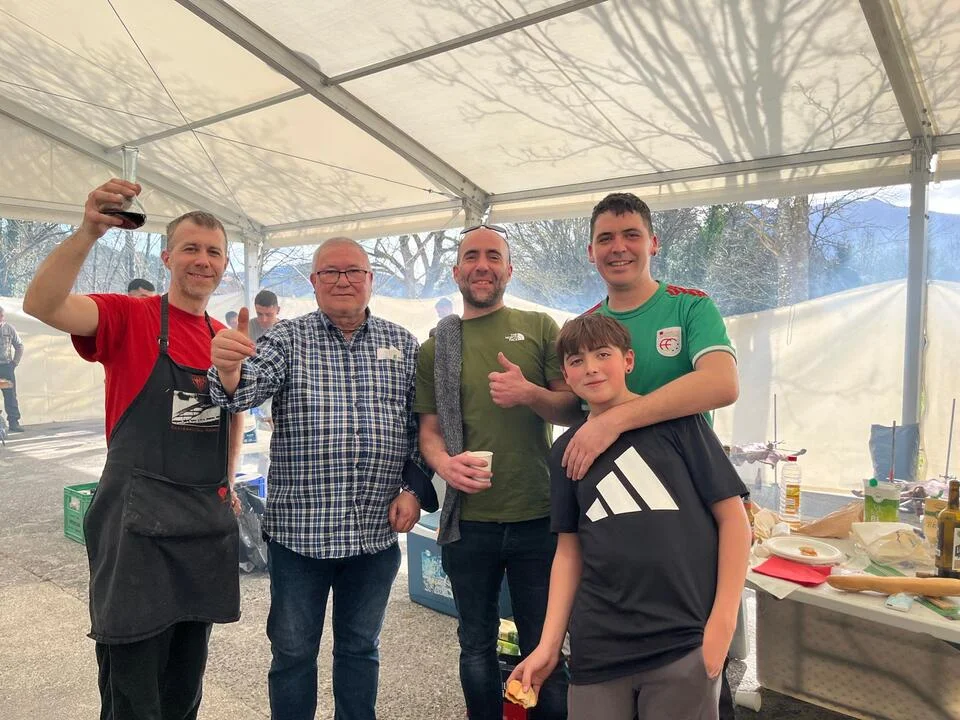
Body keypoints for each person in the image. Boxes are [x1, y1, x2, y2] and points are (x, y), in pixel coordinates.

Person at [23, 178, 243, 720]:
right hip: (134, 530)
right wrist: (88, 231)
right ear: (167, 257)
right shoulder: (129, 315)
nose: (202, 260)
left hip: (199, 527)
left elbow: (233, 415)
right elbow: (42, 303)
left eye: (214, 252)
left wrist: (230, 480)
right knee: (134, 691)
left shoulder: (223, 336)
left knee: (184, 687)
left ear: (224, 265)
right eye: (190, 248)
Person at [208, 237, 437, 720]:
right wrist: (229, 370)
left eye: (353, 271)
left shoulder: (402, 343)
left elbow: (420, 428)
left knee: (360, 649)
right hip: (301, 537)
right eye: (330, 272)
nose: (342, 281)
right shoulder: (287, 339)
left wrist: (414, 490)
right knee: (293, 653)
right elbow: (243, 391)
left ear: (370, 279)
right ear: (313, 282)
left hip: (373, 534)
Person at [510, 313, 751, 720]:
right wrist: (548, 645)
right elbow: (569, 552)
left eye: (602, 354)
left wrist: (722, 625)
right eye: (576, 361)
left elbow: (734, 521)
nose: (591, 368)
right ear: (566, 376)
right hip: (597, 646)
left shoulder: (680, 424)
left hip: (682, 639)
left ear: (628, 360)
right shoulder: (565, 451)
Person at [568, 192, 742, 718]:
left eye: (631, 235)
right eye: (605, 238)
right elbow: (578, 410)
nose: (618, 247)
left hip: (690, 509)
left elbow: (722, 383)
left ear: (653, 243)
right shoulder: (588, 326)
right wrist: (534, 397)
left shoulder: (690, 306)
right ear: (590, 251)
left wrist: (617, 420)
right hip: (616, 516)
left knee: (695, 665)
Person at [415, 225, 580, 720]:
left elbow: (573, 409)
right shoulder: (436, 348)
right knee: (475, 646)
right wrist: (444, 464)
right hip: (470, 523)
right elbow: (429, 432)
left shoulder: (540, 326)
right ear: (456, 271)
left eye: (493, 256)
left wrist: (530, 393)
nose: (482, 265)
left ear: (509, 269)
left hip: (539, 516)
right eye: (472, 256)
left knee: (545, 648)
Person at [0, 306, 24, 432]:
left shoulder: (9, 329)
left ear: (3, 316)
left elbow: (19, 346)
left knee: (10, 395)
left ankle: (14, 423)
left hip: (5, 368)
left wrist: (14, 363)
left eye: (1, 316)